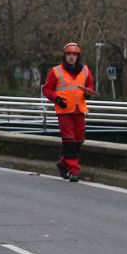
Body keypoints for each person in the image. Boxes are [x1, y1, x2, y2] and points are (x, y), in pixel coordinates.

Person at [41, 42, 96, 183]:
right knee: (69, 140)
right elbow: (47, 89)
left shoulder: (85, 70)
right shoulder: (56, 71)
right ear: (64, 56)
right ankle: (74, 170)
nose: (71, 57)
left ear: (78, 56)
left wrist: (88, 93)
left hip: (79, 109)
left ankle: (62, 163)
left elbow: (90, 84)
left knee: (79, 139)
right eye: (69, 54)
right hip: (64, 110)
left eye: (74, 55)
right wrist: (57, 99)